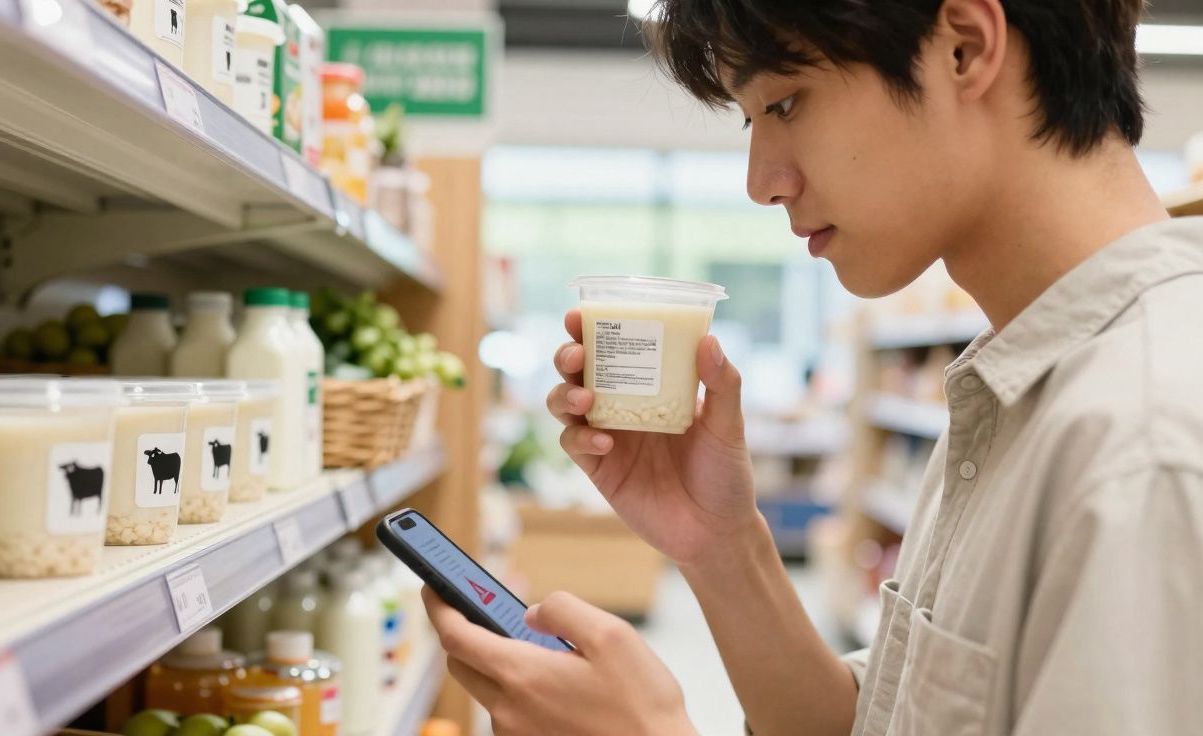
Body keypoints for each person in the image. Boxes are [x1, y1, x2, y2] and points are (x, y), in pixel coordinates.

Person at [421, 0, 1203, 733]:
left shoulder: (1144, 447)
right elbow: (876, 719)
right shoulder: (1019, 388)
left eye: (785, 103)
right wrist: (721, 547)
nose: (761, 181)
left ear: (964, 47)